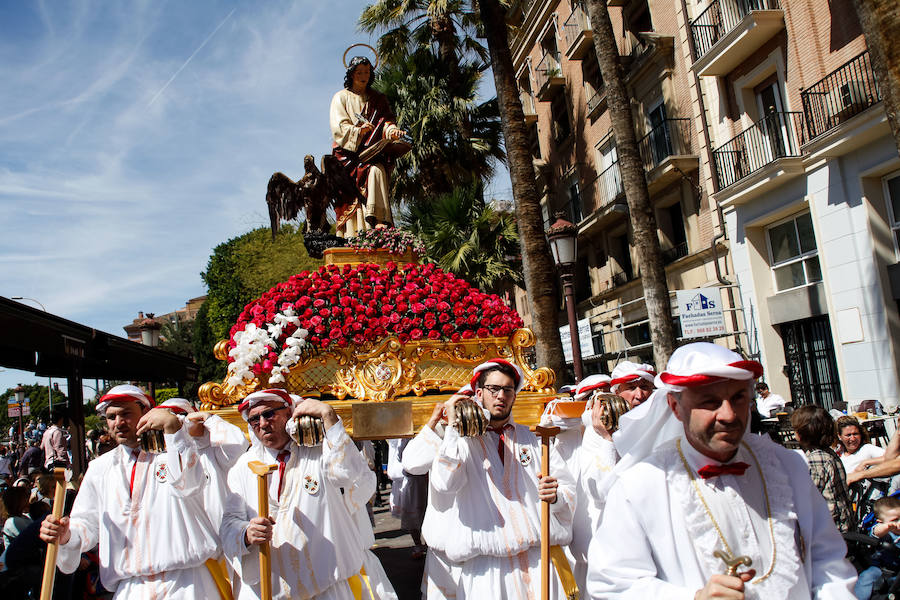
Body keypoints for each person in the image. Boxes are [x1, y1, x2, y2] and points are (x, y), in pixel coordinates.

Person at [587, 342, 857, 598]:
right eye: (709, 402)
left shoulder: (787, 466)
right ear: (675, 407)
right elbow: (612, 583)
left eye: (738, 397)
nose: (728, 414)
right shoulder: (640, 485)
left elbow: (829, 563)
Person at [39, 384, 221, 598]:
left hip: (186, 585)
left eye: (125, 414)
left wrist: (173, 429)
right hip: (130, 589)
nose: (118, 423)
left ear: (146, 414)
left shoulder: (175, 451)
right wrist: (65, 535)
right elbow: (86, 524)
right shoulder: (100, 468)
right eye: (111, 417)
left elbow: (191, 484)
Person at [430, 359, 576, 599]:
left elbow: (568, 489)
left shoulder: (535, 439)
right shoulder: (461, 443)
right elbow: (445, 484)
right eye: (493, 389)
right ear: (479, 393)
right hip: (487, 571)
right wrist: (455, 429)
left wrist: (556, 496)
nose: (501, 396)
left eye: (508, 390)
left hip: (540, 562)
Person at [220, 388, 378, 599]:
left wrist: (330, 418)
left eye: (269, 414)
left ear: (289, 413)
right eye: (254, 419)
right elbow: (229, 524)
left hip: (326, 590)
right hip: (270, 590)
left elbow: (351, 476)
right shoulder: (244, 467)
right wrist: (246, 534)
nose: (263, 424)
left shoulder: (319, 452)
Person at [330, 55, 407, 237]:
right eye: (359, 72)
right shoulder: (341, 97)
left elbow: (386, 122)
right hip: (349, 154)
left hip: (373, 152)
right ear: (351, 74)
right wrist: (358, 131)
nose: (363, 76)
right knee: (362, 179)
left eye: (366, 72)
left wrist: (393, 131)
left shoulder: (378, 99)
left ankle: (379, 221)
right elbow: (339, 127)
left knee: (376, 170)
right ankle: (357, 232)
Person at [792, 405, 856, 533]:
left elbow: (806, 499)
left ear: (804, 431)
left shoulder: (816, 460)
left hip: (833, 531)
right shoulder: (828, 453)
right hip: (844, 526)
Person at [855, 496, 900, 600]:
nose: (899, 523)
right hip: (881, 569)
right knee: (867, 577)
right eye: (895, 520)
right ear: (881, 522)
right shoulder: (885, 532)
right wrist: (887, 527)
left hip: (897, 572)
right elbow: (876, 532)